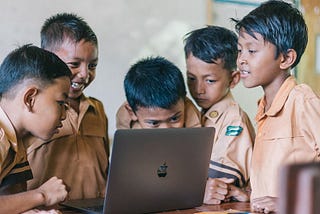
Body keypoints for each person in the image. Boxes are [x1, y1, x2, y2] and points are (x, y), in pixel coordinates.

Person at [233, 0, 320, 213]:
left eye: (251, 51)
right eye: (239, 50)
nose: (242, 59)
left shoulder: (302, 101)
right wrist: (250, 194)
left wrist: (290, 201)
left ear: (286, 58)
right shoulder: (263, 109)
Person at [26, 13, 110, 200]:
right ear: (47, 59)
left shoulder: (97, 110)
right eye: (74, 64)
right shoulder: (30, 112)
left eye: (92, 65)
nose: (84, 74)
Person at [183, 26, 255, 205]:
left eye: (210, 81)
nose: (198, 89)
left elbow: (219, 186)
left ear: (234, 79)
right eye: (191, 78)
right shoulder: (195, 113)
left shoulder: (233, 120)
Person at [0, 44, 70, 213]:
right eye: (61, 103)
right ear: (30, 99)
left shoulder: (18, 138)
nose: (64, 115)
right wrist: (42, 195)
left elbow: (10, 198)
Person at [116, 56, 201, 129]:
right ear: (132, 113)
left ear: (184, 102)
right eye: (154, 123)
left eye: (174, 119)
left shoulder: (194, 121)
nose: (166, 129)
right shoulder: (124, 119)